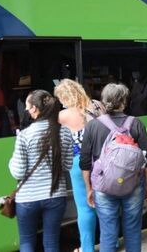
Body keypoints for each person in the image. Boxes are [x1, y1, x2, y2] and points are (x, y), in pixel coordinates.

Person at [80, 83, 147, 252]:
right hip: (133, 184)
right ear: (124, 101)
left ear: (104, 101)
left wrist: (88, 188)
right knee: (133, 229)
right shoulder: (136, 123)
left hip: (103, 186)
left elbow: (84, 162)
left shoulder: (92, 126)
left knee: (107, 231)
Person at [9, 90, 74, 252]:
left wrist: (10, 162)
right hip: (55, 196)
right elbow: (67, 166)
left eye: (27, 107)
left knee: (27, 243)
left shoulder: (24, 135)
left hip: (27, 199)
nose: (26, 110)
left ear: (35, 109)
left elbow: (18, 172)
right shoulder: (64, 132)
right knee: (51, 243)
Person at [55, 79, 102, 252]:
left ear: (64, 97)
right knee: (104, 203)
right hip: (102, 159)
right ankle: (108, 242)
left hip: (79, 163)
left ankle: (87, 248)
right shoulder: (97, 106)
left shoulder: (63, 115)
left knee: (85, 206)